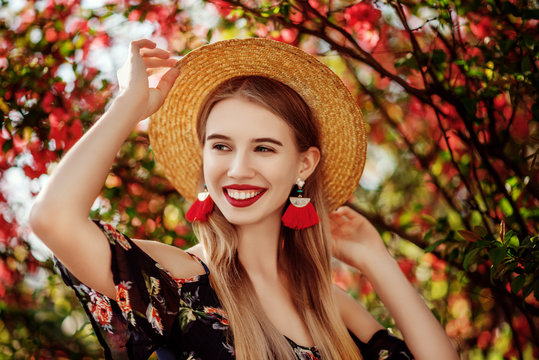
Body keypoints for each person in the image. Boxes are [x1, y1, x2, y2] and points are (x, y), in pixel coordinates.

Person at [29, 38, 459, 360]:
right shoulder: (179, 280)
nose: (237, 169)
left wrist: (376, 259)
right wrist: (127, 106)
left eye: (264, 148)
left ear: (304, 165)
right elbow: (54, 219)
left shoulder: (329, 307)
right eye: (220, 146)